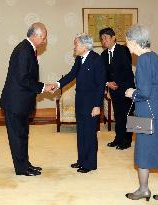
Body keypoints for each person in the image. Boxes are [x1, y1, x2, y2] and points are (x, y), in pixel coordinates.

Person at [125, 24, 158, 202]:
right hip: (155, 111)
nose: (128, 46)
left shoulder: (144, 60)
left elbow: (144, 92)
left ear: (134, 41)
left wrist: (132, 92)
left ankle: (143, 189)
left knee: (143, 152)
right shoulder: (155, 57)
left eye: (128, 43)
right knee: (156, 151)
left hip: (147, 113)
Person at [0, 22, 53, 176]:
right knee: (17, 137)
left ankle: (25, 164)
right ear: (35, 35)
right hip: (15, 103)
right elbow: (23, 79)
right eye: (43, 38)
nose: (44, 41)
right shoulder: (24, 50)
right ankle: (22, 169)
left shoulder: (28, 48)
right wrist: (43, 87)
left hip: (20, 102)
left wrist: (42, 87)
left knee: (22, 135)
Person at [52, 33, 106, 173]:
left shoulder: (96, 60)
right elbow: (71, 75)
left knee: (89, 133)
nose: (74, 47)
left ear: (84, 45)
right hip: (80, 101)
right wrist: (57, 84)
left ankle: (90, 164)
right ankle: (81, 160)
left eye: (76, 44)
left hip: (91, 103)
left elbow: (101, 85)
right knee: (81, 132)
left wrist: (97, 105)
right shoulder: (79, 59)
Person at [99, 27, 135, 150]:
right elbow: (103, 74)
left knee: (128, 115)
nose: (104, 41)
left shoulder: (124, 50)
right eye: (102, 39)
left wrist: (117, 82)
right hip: (113, 90)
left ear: (114, 37)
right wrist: (108, 83)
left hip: (126, 89)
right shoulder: (103, 55)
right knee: (118, 116)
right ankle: (118, 138)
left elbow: (127, 70)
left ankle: (127, 140)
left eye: (106, 38)